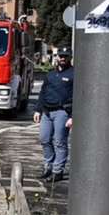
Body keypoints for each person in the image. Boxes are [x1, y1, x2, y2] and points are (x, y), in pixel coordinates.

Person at [34, 47, 74, 181]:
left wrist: (72, 117)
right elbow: (42, 93)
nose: (62, 58)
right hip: (46, 112)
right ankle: (48, 167)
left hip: (62, 112)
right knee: (45, 139)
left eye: (65, 56)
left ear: (70, 57)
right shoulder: (50, 74)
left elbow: (79, 96)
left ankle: (58, 171)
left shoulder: (74, 74)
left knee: (59, 142)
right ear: (57, 57)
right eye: (61, 56)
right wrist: (38, 110)